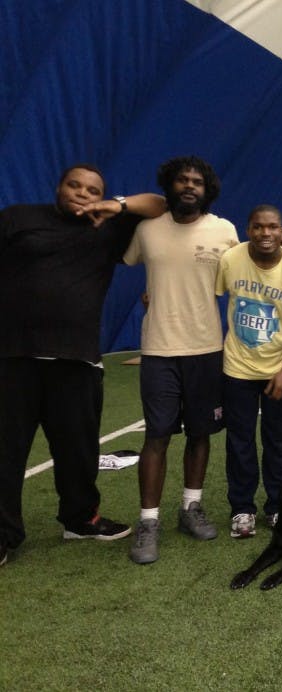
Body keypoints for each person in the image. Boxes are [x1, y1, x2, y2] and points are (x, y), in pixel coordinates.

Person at [0, 164, 166, 566]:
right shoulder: (19, 218)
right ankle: (3, 536)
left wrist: (116, 205)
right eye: (74, 185)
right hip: (13, 357)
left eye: (92, 189)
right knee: (5, 450)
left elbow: (160, 205)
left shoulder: (107, 227)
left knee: (78, 449)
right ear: (59, 186)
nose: (82, 193)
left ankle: (80, 519)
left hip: (76, 358)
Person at [122, 156, 239, 564]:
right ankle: (148, 521)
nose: (189, 186)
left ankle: (191, 507)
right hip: (158, 349)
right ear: (168, 186)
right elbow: (128, 258)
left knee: (200, 433)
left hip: (207, 348)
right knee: (156, 436)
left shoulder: (224, 230)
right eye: (181, 180)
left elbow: (240, 278)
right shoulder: (146, 230)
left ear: (208, 189)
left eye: (197, 182)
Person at [215, 205, 282, 538]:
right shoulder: (231, 260)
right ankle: (242, 508)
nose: (265, 233)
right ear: (248, 230)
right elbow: (211, 299)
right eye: (258, 227)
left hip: (278, 371)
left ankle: (277, 507)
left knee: (279, 441)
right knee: (239, 441)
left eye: (272, 227)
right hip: (237, 369)